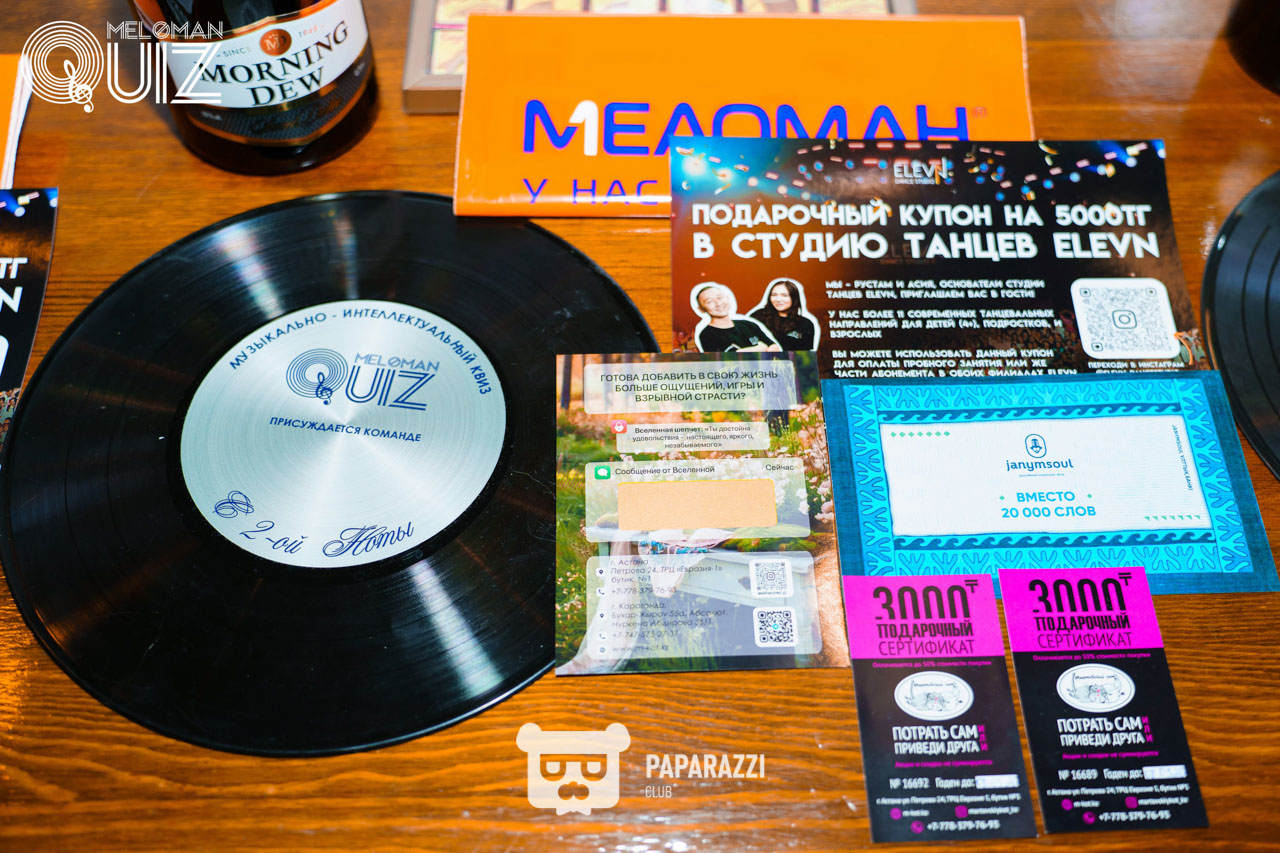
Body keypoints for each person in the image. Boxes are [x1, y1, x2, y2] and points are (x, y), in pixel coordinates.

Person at [690, 282, 781, 352]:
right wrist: (760, 348)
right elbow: (733, 360)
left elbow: (774, 347)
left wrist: (747, 351)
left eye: (720, 297)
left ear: (727, 298)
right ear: (701, 309)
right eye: (709, 302)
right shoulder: (707, 335)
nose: (718, 303)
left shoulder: (748, 325)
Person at [748, 277, 819, 351]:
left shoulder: (805, 324)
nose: (778, 299)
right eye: (774, 295)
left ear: (794, 298)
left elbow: (807, 354)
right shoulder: (757, 317)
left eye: (784, 295)